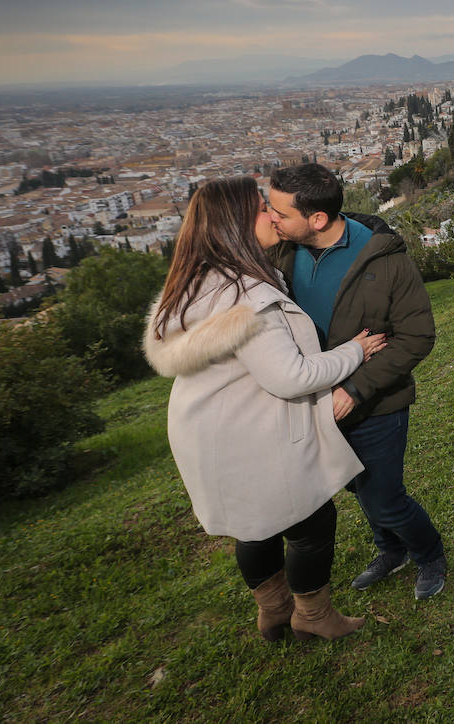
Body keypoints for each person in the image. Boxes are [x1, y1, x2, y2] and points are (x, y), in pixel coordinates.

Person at [143, 176, 387, 641]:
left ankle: (272, 611)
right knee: (312, 519)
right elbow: (290, 376)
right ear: (235, 225)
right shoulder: (246, 299)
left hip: (212, 429)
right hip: (250, 432)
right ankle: (313, 617)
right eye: (260, 210)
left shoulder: (200, 279)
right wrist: (356, 351)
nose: (272, 215)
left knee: (253, 527)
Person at [267, 163, 448, 600]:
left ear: (317, 219)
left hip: (376, 406)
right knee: (357, 489)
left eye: (279, 212)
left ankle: (430, 555)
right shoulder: (282, 253)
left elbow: (417, 336)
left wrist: (355, 388)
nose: (270, 218)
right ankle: (390, 550)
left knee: (385, 498)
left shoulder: (385, 260)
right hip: (316, 403)